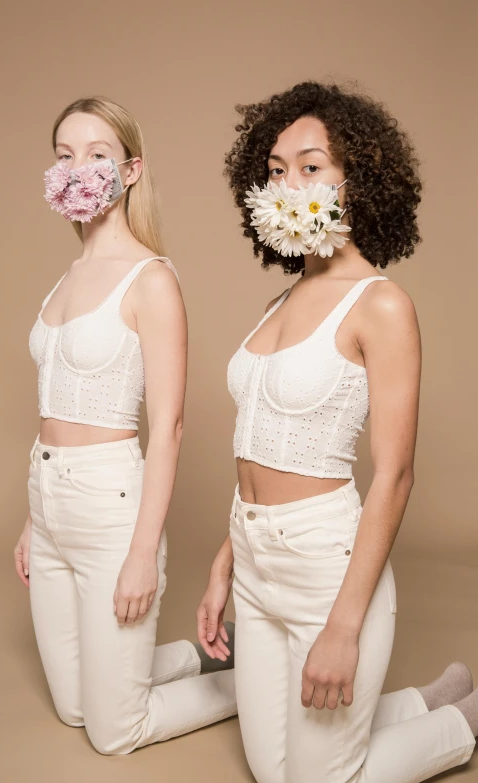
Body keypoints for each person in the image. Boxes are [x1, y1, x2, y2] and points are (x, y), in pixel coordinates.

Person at [197, 81, 477, 783]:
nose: (289, 182)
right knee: (270, 769)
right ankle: (425, 698)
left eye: (311, 165)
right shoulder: (278, 300)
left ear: (360, 178)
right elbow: (262, 440)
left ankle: (462, 723)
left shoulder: (380, 304)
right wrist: (226, 561)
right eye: (275, 170)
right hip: (255, 557)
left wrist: (345, 626)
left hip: (326, 563)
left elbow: (395, 474)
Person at [14, 96, 236, 755]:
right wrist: (34, 516)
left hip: (112, 507)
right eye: (64, 156)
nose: (78, 169)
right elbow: (54, 407)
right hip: (48, 498)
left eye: (98, 154)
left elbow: (167, 428)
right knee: (75, 707)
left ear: (131, 170)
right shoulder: (66, 277)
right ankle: (199, 655)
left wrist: (144, 550)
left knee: (114, 732)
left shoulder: (151, 280)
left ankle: (255, 677)